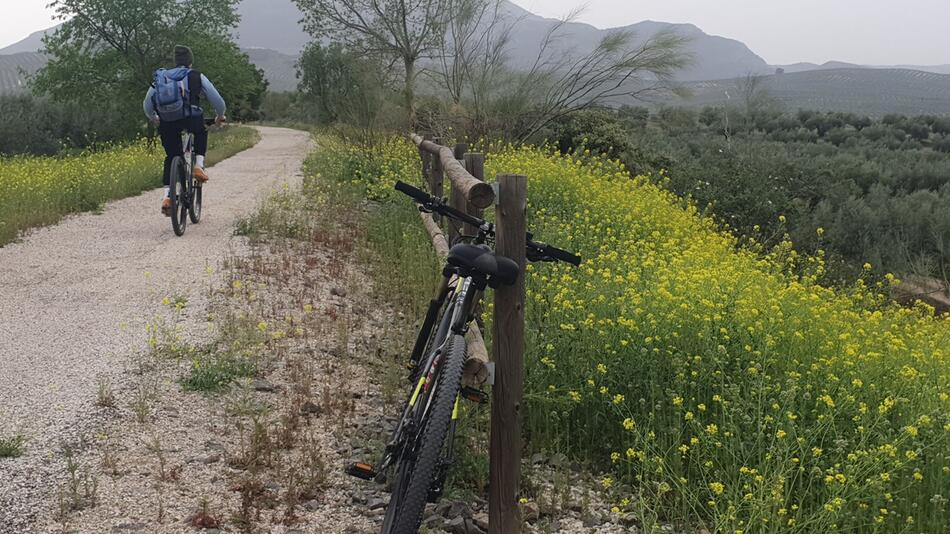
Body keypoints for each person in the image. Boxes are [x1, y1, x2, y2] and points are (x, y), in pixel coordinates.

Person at [143, 45, 227, 214]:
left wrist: (155, 118)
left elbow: (147, 104)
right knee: (201, 131)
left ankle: (167, 196)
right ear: (190, 61)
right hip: (191, 119)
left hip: (167, 121)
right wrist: (220, 116)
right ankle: (198, 166)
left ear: (175, 61)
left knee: (171, 156)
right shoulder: (196, 75)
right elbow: (217, 100)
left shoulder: (162, 76)